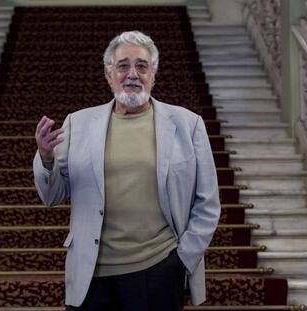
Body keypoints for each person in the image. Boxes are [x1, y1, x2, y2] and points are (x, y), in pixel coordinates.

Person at [33, 31, 221, 311]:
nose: (132, 73)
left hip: (158, 269)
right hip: (91, 274)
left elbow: (208, 202)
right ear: (109, 74)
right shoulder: (78, 123)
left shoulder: (187, 124)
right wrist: (46, 158)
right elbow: (53, 195)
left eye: (141, 66)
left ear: (153, 75)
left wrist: (182, 259)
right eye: (123, 65)